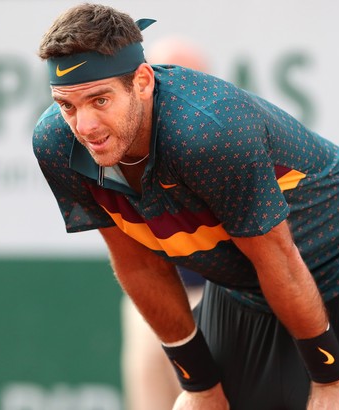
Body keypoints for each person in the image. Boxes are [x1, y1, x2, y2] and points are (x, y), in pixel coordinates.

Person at [33, 4, 339, 409]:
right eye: (67, 105)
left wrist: (330, 379)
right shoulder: (57, 143)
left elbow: (279, 257)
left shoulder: (205, 133)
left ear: (143, 82)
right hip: (252, 281)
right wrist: (199, 384)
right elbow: (139, 263)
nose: (85, 127)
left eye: (100, 100)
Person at [120, 37, 209, 410]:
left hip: (216, 299)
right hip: (152, 301)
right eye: (161, 78)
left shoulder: (226, 142)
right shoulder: (124, 144)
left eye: (188, 79)